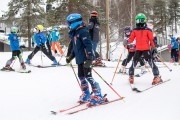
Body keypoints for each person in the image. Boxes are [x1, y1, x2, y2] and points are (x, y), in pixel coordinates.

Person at [66, 13, 107, 106]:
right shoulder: (74, 33)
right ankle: (87, 94)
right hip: (80, 59)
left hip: (86, 58)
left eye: (69, 23)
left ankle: (98, 95)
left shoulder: (83, 31)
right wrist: (70, 57)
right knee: (81, 76)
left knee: (88, 77)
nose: (68, 25)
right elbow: (75, 48)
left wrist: (89, 58)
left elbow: (89, 45)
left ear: (74, 22)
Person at [128, 13, 161, 85]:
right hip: (142, 49)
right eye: (138, 21)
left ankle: (131, 75)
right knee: (145, 62)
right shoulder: (140, 30)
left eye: (140, 20)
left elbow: (151, 40)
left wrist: (154, 47)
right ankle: (156, 75)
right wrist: (127, 41)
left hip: (142, 49)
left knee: (138, 62)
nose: (139, 22)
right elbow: (131, 39)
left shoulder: (142, 30)